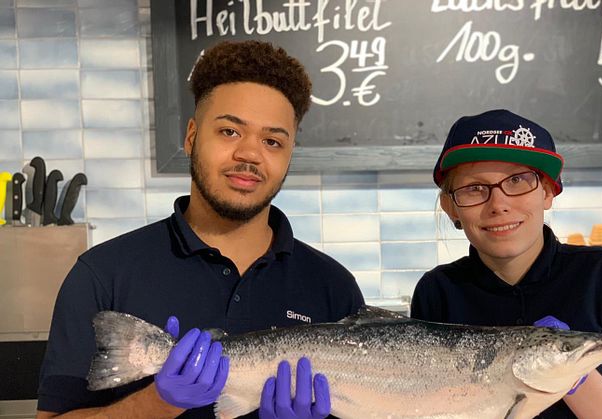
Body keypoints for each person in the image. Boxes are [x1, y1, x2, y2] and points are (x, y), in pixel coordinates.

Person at [36, 40, 363, 418]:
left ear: (289, 155)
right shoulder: (103, 275)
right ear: (192, 136)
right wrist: (156, 403)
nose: (250, 154)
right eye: (229, 132)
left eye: (272, 141)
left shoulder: (332, 287)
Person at [410, 109, 602, 418]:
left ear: (548, 191)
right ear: (451, 206)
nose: (499, 205)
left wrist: (567, 369)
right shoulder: (438, 291)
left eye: (518, 180)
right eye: (474, 188)